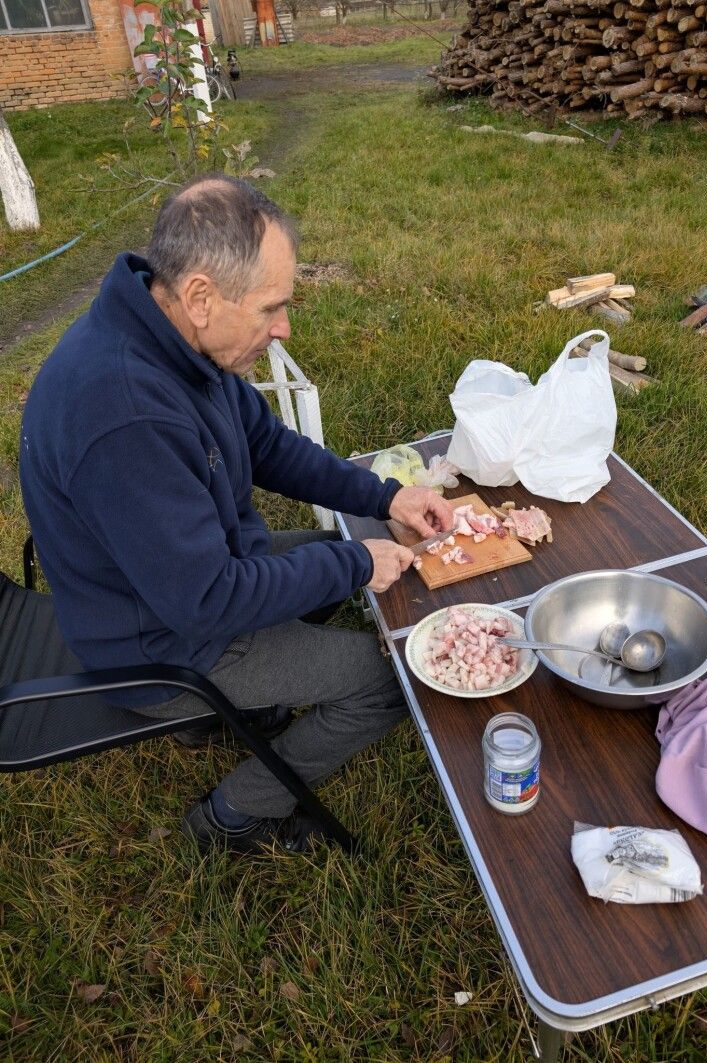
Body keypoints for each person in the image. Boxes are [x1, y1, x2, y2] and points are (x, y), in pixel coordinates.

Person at [19, 174, 453, 855]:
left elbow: (270, 444)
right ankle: (234, 814)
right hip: (158, 641)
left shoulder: (175, 334)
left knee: (326, 558)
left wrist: (385, 497)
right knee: (392, 677)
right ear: (200, 295)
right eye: (271, 308)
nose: (283, 329)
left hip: (177, 581)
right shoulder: (126, 413)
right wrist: (355, 561)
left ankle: (228, 712)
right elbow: (208, 601)